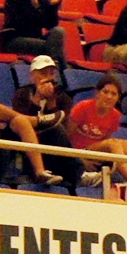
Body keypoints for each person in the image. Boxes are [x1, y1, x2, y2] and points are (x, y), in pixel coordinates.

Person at [9, 55, 85, 187]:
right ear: (32, 76)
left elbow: (63, 126)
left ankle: (77, 174)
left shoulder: (63, 98)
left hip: (52, 145)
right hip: (27, 142)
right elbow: (20, 119)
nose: (48, 77)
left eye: (51, 73)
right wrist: (38, 98)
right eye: (43, 73)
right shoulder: (21, 94)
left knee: (58, 130)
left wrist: (51, 102)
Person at [0, 0, 64, 67]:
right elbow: (18, 23)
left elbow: (50, 24)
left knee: (59, 31)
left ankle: (58, 70)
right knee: (51, 47)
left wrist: (53, 6)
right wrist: (33, 3)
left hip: (37, 40)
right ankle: (61, 71)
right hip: (16, 40)